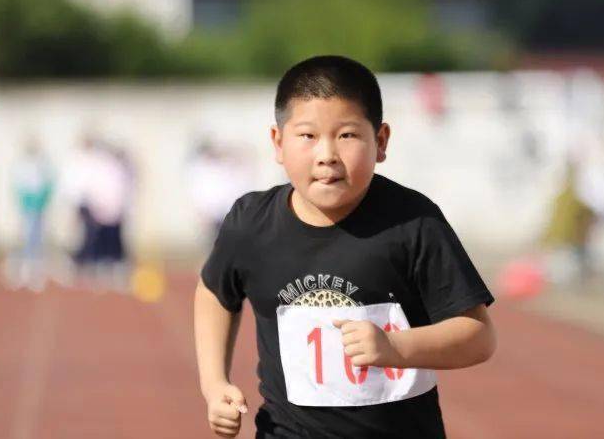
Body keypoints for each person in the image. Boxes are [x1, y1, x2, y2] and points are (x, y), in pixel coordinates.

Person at [194, 55, 496, 438]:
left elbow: (478, 336)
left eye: (347, 135)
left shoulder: (413, 223)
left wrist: (395, 347)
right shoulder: (251, 223)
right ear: (278, 142)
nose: (327, 156)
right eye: (307, 136)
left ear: (381, 141)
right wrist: (214, 384)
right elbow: (213, 292)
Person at [12, 140, 55, 289]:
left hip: (39, 206)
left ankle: (36, 269)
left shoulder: (42, 163)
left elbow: (48, 183)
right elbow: (19, 185)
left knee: (38, 237)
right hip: (27, 206)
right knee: (27, 236)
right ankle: (24, 268)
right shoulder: (22, 164)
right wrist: (26, 202)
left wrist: (43, 200)